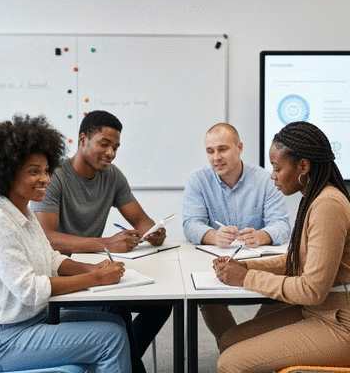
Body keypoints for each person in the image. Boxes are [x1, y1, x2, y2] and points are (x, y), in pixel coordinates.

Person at [0, 114, 132, 372]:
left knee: (115, 322)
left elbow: (52, 260)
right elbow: (31, 291)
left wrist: (93, 269)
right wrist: (97, 279)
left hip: (31, 321)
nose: (45, 179)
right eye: (34, 172)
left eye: (46, 171)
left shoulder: (24, 213)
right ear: (7, 173)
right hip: (2, 340)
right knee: (110, 339)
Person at [30, 110, 172, 373]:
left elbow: (140, 219)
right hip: (65, 277)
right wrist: (106, 243)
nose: (111, 153)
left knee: (162, 303)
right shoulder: (54, 177)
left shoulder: (112, 175)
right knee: (113, 307)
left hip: (97, 269)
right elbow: (47, 238)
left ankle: (114, 362)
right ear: (82, 139)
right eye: (104, 144)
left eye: (116, 147)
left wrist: (154, 231)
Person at [216, 121, 350, 372]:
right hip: (318, 312)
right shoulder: (314, 199)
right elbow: (294, 262)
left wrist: (247, 277)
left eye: (277, 168)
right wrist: (243, 265)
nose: (272, 176)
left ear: (303, 167)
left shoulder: (328, 205)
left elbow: (312, 290)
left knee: (230, 364)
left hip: (340, 323)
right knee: (229, 340)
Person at [182, 122, 291, 346]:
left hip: (259, 263)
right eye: (210, 151)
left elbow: (281, 224)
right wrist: (213, 236)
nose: (215, 158)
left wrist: (263, 236)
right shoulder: (198, 179)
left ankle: (245, 348)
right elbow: (190, 224)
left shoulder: (264, 179)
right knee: (205, 297)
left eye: (223, 149)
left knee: (287, 290)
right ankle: (236, 349)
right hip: (217, 262)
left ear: (239, 147)